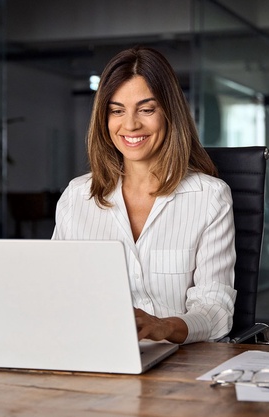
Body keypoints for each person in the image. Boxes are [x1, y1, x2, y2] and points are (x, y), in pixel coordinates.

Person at [51, 46, 236, 344]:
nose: (131, 124)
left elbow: (216, 310)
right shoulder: (77, 197)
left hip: (180, 364)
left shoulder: (210, 197)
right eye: (117, 110)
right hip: (96, 353)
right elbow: (56, 292)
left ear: (169, 113)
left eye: (147, 109)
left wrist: (166, 327)